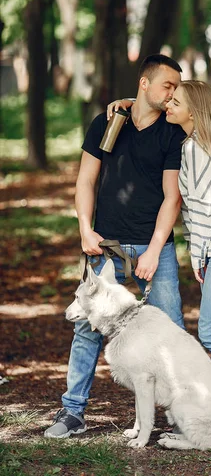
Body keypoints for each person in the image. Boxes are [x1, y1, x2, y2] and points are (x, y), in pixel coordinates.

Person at [108, 81, 211, 432]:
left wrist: (197, 256)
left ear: (194, 111)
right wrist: (128, 100)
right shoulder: (194, 143)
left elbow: (204, 211)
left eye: (176, 101)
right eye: (168, 99)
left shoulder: (197, 151)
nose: (168, 104)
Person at [44, 54, 186, 439]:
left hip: (154, 246)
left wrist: (155, 250)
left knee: (171, 331)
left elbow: (172, 198)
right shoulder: (107, 123)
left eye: (177, 87)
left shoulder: (172, 133)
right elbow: (86, 181)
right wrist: (85, 230)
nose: (173, 93)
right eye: (167, 85)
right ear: (144, 83)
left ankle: (183, 414)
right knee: (87, 329)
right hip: (104, 243)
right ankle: (72, 412)